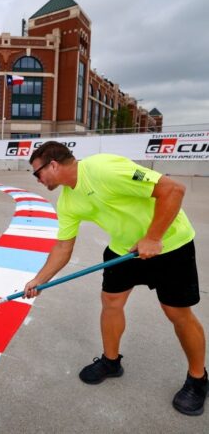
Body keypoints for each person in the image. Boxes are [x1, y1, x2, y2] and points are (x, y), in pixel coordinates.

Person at [23, 141, 207, 416]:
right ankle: (111, 361)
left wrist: (153, 237)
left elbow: (173, 189)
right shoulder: (67, 201)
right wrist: (40, 279)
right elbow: (63, 246)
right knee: (111, 302)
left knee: (177, 313)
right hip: (124, 250)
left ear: (53, 165)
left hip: (170, 244)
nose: (37, 179)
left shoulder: (103, 169)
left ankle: (198, 379)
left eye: (37, 173)